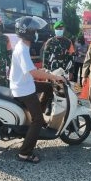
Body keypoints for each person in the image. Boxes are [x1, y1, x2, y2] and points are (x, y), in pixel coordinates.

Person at [10, 16, 65, 163]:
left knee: (48, 88)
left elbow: (30, 69)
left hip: (25, 84)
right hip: (23, 89)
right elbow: (33, 73)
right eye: (34, 30)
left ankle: (37, 114)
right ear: (27, 32)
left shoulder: (24, 45)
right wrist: (53, 76)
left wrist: (45, 72)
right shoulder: (22, 48)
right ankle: (25, 153)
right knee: (38, 120)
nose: (36, 33)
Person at [42, 20, 75, 114]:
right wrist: (45, 70)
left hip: (63, 71)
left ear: (63, 29)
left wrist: (71, 71)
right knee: (49, 88)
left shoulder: (68, 42)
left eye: (61, 28)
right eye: (57, 28)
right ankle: (48, 106)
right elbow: (45, 57)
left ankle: (61, 108)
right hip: (51, 71)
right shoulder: (49, 42)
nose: (59, 30)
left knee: (61, 90)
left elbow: (71, 57)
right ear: (55, 29)